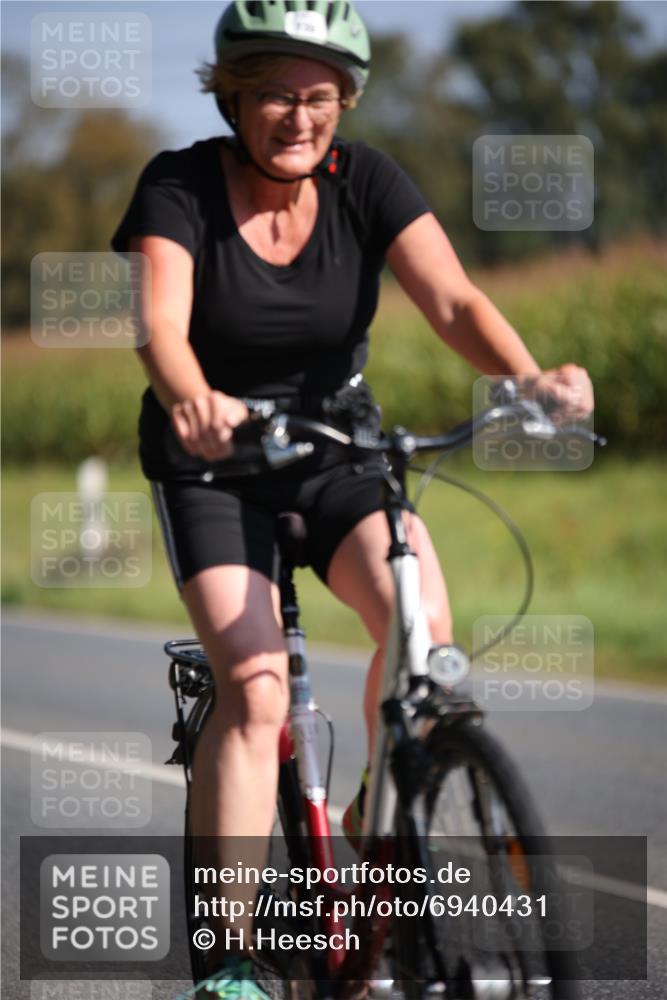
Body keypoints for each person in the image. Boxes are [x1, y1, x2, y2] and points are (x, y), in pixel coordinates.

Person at [112, 2, 593, 996]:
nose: (300, 115)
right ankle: (232, 959)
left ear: (345, 101)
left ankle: (384, 849)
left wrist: (530, 377)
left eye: (320, 95)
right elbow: (159, 320)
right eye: (278, 93)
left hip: (336, 448)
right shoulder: (179, 187)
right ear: (235, 94)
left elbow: (454, 300)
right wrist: (191, 398)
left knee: (423, 639)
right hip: (217, 462)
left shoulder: (366, 180)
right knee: (254, 688)